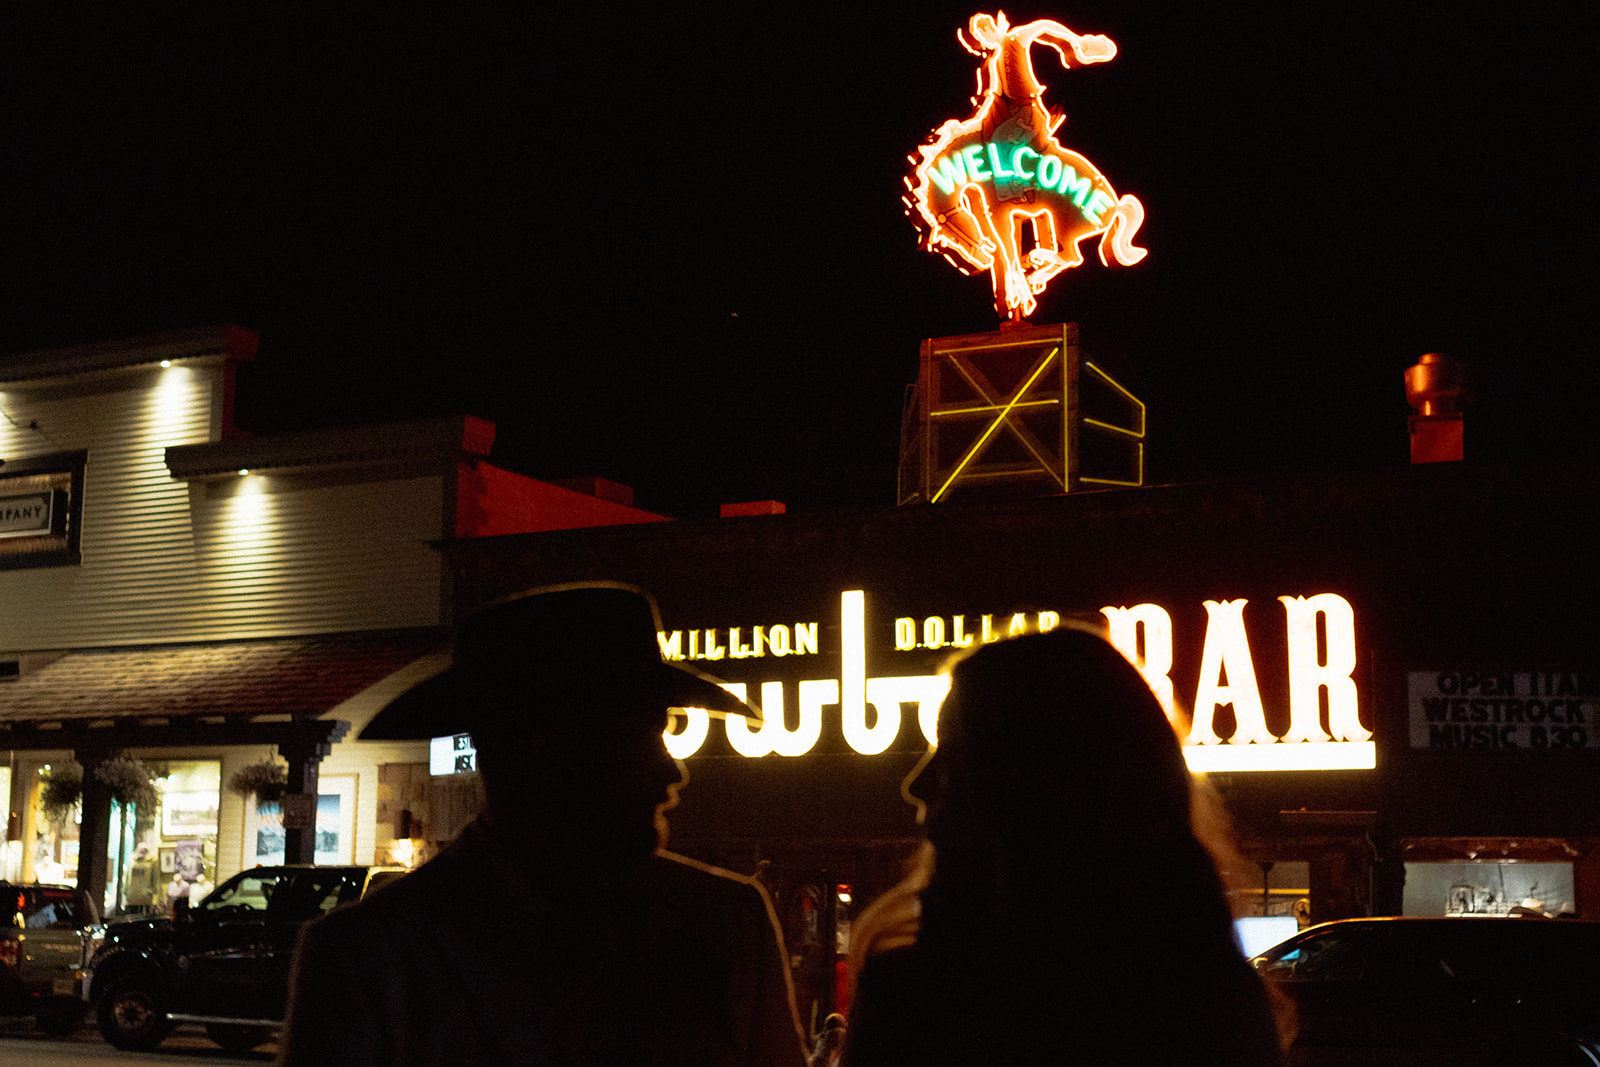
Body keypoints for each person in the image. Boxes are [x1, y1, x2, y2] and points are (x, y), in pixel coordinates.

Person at [278, 582, 808, 1067]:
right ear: (546, 745)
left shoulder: (731, 928)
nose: (673, 772)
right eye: (644, 734)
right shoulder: (366, 962)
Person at [841, 624, 1287, 1066]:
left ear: (1032, 787)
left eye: (955, 751)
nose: (915, 784)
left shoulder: (919, 1005)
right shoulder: (1211, 1006)